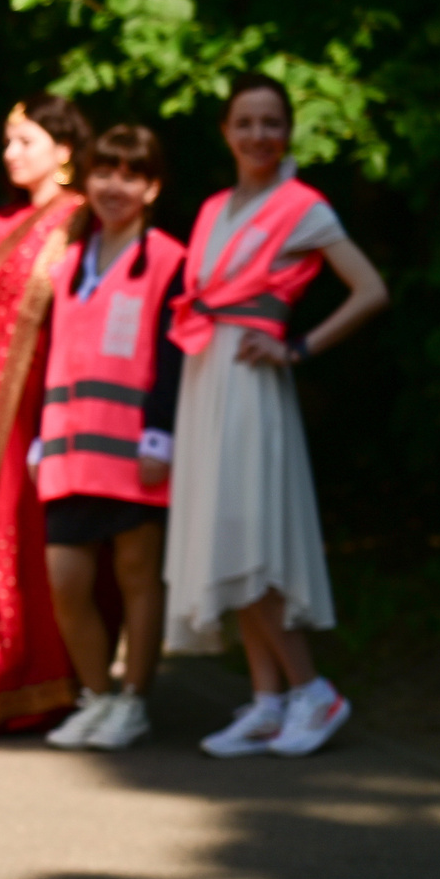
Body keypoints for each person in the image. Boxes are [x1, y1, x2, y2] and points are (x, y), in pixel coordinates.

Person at [168, 74, 388, 758]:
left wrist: (299, 346)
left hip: (254, 382)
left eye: (272, 122)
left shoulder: (302, 206)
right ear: (226, 132)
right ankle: (268, 702)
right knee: (222, 531)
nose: (260, 135)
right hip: (207, 375)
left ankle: (312, 690)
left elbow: (371, 289)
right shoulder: (211, 209)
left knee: (247, 535)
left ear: (288, 131)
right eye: (246, 122)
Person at [34, 125, 186, 751]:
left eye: (130, 173)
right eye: (104, 172)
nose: (114, 185)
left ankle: (134, 701)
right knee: (66, 581)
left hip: (134, 452)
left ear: (151, 186)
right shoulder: (69, 262)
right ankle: (97, 696)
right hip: (70, 450)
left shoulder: (169, 260)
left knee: (136, 577)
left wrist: (161, 432)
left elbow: (175, 353)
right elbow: (57, 353)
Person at [0, 95, 94, 733]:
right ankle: (4, 683)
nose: (11, 154)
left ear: (63, 150)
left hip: (39, 406)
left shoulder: (79, 220)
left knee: (34, 540)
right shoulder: (2, 221)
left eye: (26, 142)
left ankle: (49, 683)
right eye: (8, 142)